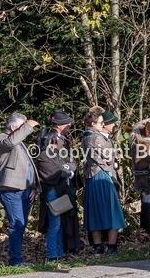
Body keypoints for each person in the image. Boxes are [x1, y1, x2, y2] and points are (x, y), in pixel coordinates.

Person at [35, 111, 82, 262]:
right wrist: (67, 171)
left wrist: (69, 169)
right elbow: (53, 169)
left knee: (60, 221)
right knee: (54, 223)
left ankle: (59, 253)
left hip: (60, 188)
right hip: (52, 189)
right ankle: (52, 254)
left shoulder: (58, 146)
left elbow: (70, 162)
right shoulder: (45, 151)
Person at [0, 113, 39, 266]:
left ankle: (16, 258)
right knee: (17, 224)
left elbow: (27, 166)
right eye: (22, 125)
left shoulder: (18, 141)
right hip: (10, 189)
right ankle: (15, 261)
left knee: (21, 225)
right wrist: (28, 126)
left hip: (24, 189)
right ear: (13, 126)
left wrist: (33, 186)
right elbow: (10, 142)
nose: (26, 129)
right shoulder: (1, 139)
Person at [82, 108, 125, 255]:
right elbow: (106, 158)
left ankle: (99, 246)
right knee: (109, 211)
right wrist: (114, 155)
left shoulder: (91, 136)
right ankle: (108, 246)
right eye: (101, 122)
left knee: (97, 211)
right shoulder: (94, 137)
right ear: (93, 124)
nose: (103, 124)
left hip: (97, 174)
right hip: (100, 175)